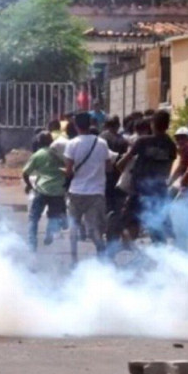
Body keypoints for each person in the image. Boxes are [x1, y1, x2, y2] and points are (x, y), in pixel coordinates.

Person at [117, 110, 177, 244]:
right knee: (156, 224)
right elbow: (167, 170)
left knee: (127, 221)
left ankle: (132, 250)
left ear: (153, 124)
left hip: (139, 189)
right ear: (167, 126)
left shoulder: (143, 141)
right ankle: (162, 257)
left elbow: (122, 163)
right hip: (159, 190)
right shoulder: (171, 145)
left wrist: (126, 173)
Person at [63, 111, 111, 264]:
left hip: (76, 191)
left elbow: (69, 170)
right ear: (90, 124)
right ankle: (102, 256)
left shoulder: (72, 144)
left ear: (76, 126)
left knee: (74, 228)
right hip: (96, 192)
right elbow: (109, 167)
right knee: (94, 230)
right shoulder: (102, 143)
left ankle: (74, 260)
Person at [22, 131, 66, 251]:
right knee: (53, 216)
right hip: (58, 190)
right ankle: (49, 234)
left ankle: (32, 244)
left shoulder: (37, 155)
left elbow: (25, 173)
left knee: (33, 218)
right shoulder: (59, 153)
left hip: (42, 190)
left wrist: (29, 185)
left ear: (39, 142)